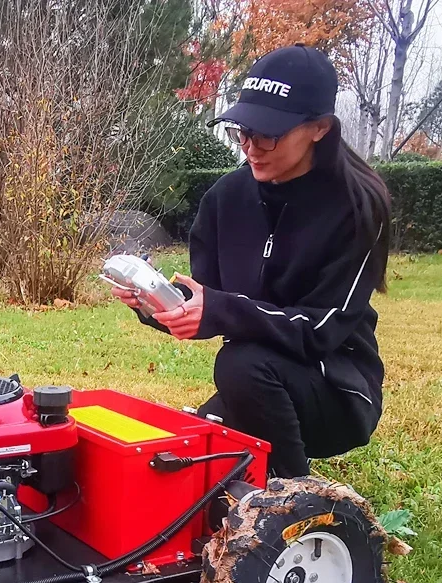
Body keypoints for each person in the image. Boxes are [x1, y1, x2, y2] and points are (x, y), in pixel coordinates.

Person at [112, 44, 390, 477]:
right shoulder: (224, 199)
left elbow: (322, 329)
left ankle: (300, 507)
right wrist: (160, 304)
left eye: (267, 134)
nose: (250, 147)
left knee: (240, 364)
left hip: (335, 386)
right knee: (191, 461)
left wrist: (224, 309)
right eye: (241, 131)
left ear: (319, 127)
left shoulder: (356, 206)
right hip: (256, 383)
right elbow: (211, 302)